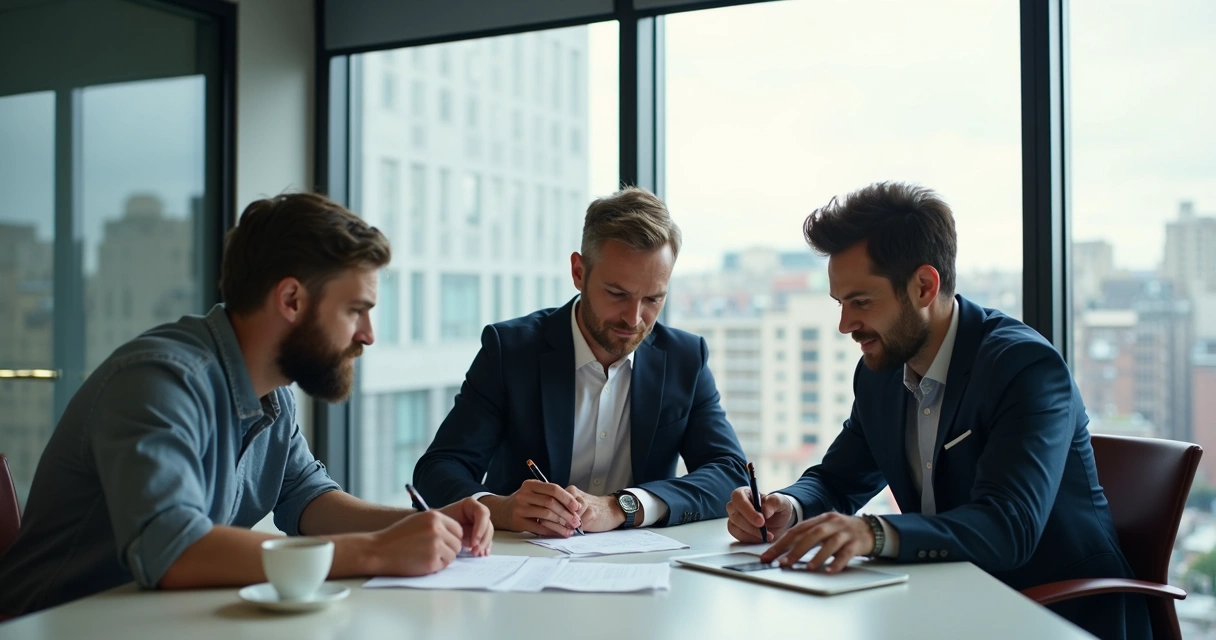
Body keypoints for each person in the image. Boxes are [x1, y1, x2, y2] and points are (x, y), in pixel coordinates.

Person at [0, 193, 492, 616]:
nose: (368, 335)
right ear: (292, 300)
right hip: (56, 625)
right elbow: (175, 551)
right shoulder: (159, 381)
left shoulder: (270, 394)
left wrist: (433, 522)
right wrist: (376, 552)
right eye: (355, 310)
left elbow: (309, 500)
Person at [724, 182, 1149, 640]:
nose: (845, 325)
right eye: (840, 303)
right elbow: (836, 479)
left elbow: (1008, 526)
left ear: (925, 286)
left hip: (1058, 616)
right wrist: (788, 506)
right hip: (950, 608)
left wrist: (875, 533)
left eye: (861, 302)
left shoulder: (1024, 368)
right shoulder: (880, 372)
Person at [414, 186, 748, 537]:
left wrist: (624, 505)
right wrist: (501, 508)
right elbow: (437, 470)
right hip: (523, 565)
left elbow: (729, 473)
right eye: (618, 294)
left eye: (653, 298)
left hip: (646, 569)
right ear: (578, 272)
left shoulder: (685, 358)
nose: (634, 319)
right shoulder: (510, 350)